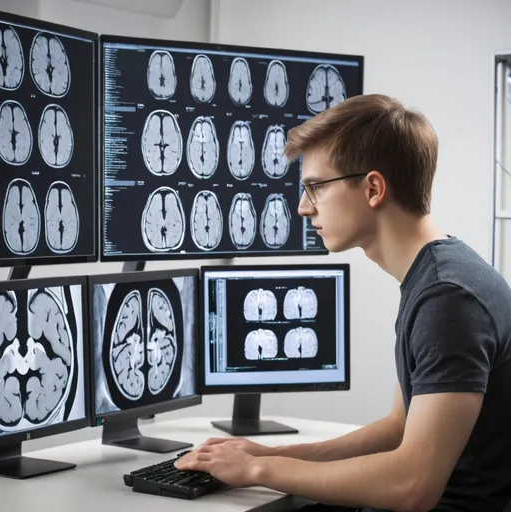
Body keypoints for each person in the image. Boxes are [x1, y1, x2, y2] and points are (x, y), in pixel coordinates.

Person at [175, 94, 511, 512]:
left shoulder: (448, 299)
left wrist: (259, 472)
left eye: (315, 187)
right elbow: (397, 428)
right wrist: (268, 455)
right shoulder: (441, 275)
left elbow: (412, 485)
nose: (302, 208)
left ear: (373, 188)